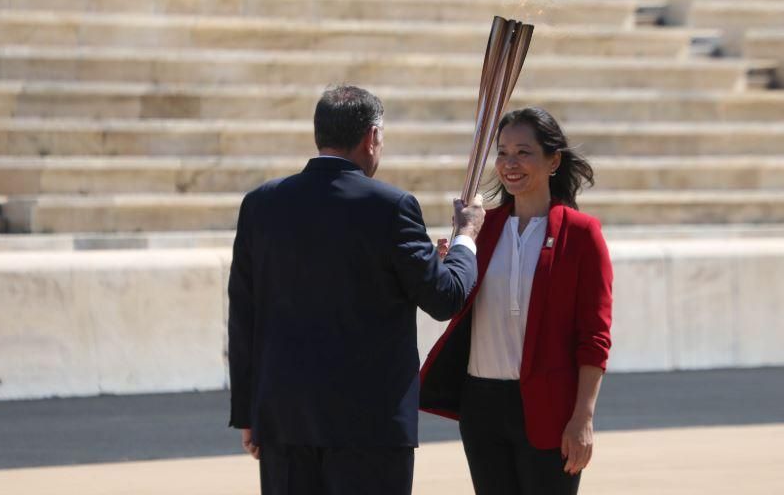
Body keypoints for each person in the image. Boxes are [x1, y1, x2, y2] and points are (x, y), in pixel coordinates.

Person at [227, 85, 486, 495]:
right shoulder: (392, 206)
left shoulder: (261, 204)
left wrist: (248, 412)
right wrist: (466, 238)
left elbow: (244, 316)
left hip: (284, 420)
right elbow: (445, 297)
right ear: (372, 137)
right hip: (372, 427)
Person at [420, 107, 613, 495]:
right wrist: (446, 261)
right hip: (482, 405)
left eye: (523, 152)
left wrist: (583, 418)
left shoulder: (580, 233)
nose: (510, 164)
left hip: (548, 408)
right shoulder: (481, 228)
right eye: (503, 152)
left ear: (553, 159)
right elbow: (451, 300)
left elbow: (594, 336)